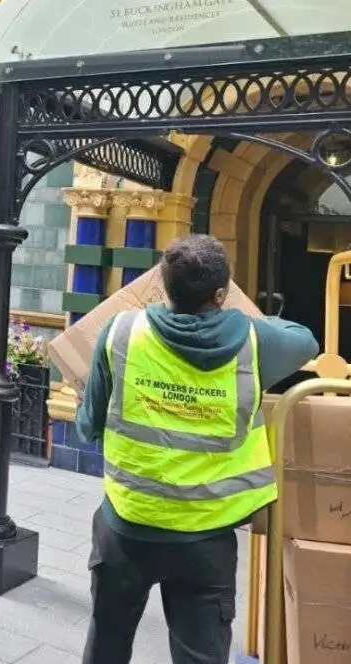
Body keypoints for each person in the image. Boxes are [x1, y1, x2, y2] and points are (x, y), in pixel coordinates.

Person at [76, 233, 319, 664]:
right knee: (201, 656)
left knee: (107, 645)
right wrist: (239, 312)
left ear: (163, 284)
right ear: (221, 293)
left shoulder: (121, 332)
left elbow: (87, 425)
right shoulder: (256, 343)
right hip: (206, 539)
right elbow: (305, 339)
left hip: (127, 526)